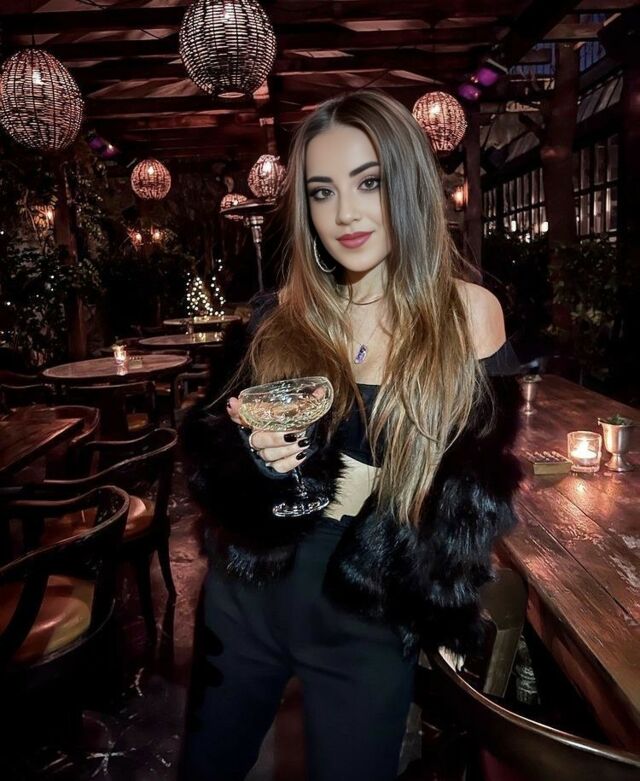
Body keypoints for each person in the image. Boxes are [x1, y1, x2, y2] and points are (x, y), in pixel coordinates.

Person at [179, 89, 522, 781]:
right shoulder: (277, 317)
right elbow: (210, 459)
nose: (344, 214)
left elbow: (472, 502)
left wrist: (401, 526)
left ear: (408, 184)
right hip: (246, 597)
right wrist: (260, 467)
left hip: (369, 610)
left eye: (369, 182)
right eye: (322, 191)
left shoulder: (468, 316)